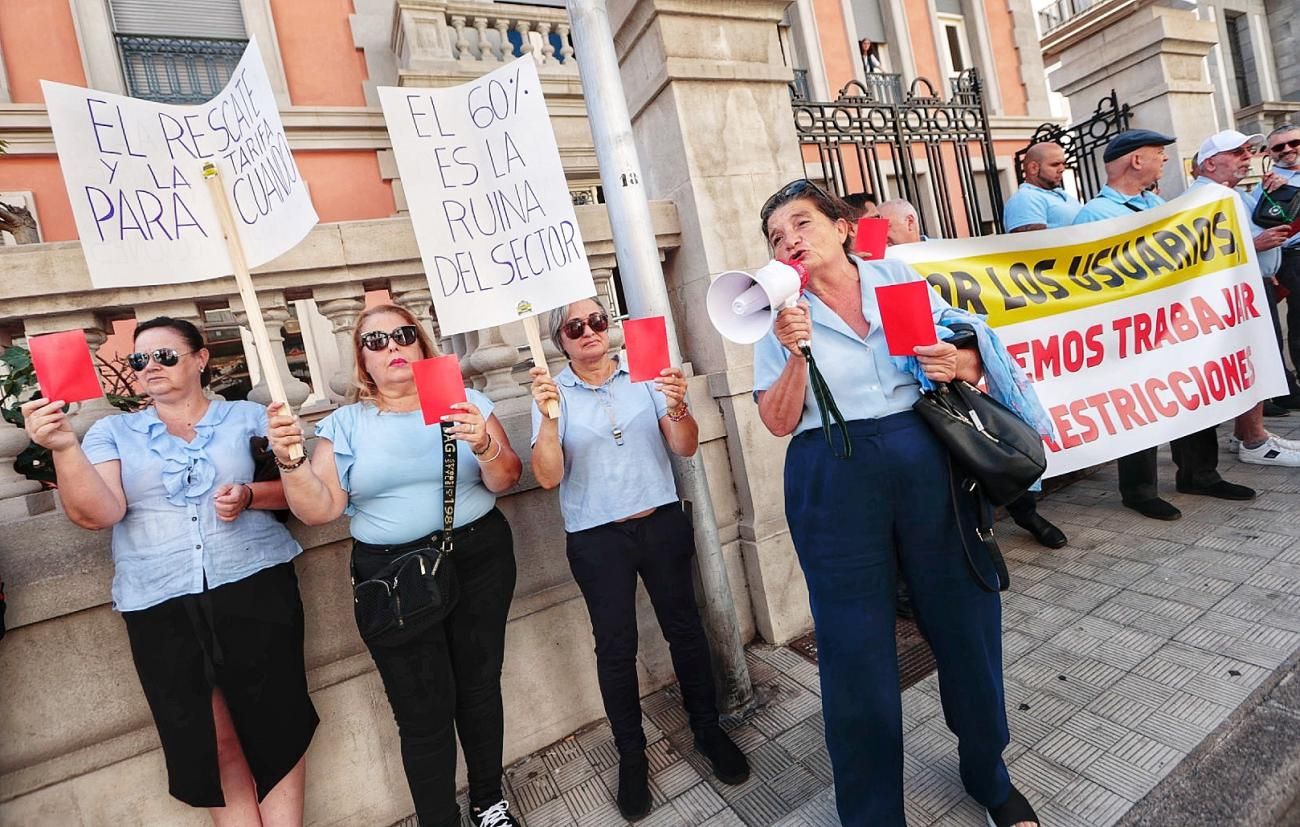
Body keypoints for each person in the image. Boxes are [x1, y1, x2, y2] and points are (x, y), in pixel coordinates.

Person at [754, 179, 1038, 827]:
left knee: (967, 619)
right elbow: (775, 420)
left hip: (922, 455)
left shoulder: (896, 275)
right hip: (831, 471)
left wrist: (954, 359)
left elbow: (965, 351)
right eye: (776, 236)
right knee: (854, 649)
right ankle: (872, 811)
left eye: (801, 223)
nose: (789, 239)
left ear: (842, 227)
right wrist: (793, 353)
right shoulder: (769, 311)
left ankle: (989, 775)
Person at [21, 317, 317, 826]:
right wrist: (64, 448)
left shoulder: (249, 418)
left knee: (278, 724)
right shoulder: (112, 431)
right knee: (207, 736)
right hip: (159, 601)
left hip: (254, 583)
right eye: (139, 360)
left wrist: (249, 495)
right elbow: (99, 514)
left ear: (201, 359)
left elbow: (305, 495)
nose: (149, 367)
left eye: (164, 355)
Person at [266, 304, 524, 827]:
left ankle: (488, 801)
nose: (392, 348)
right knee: (422, 710)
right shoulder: (344, 424)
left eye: (403, 335)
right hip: (394, 577)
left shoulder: (466, 400)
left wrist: (484, 442)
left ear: (422, 342)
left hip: (478, 558)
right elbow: (320, 511)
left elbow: (506, 479)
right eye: (375, 341)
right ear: (362, 362)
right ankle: (437, 818)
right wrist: (290, 460)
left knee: (479, 685)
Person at [528, 296, 749, 822]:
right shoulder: (552, 392)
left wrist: (677, 405)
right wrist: (547, 421)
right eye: (574, 327)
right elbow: (546, 476)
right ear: (560, 341)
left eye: (597, 320)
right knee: (615, 648)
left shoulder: (646, 374)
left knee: (685, 628)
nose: (588, 332)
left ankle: (706, 729)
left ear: (611, 327)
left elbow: (686, 446)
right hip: (597, 537)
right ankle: (632, 754)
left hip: (660, 520)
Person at [1073, 130, 1257, 520]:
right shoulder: (1094, 214)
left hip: (1174, 324)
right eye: (1157, 153)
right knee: (1138, 406)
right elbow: (1090, 276)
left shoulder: (1156, 202)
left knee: (1192, 394)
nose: (1165, 160)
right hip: (1130, 330)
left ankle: (1199, 473)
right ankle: (1138, 490)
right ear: (1135, 161)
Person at [1191, 130, 1300, 466]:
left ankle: (1249, 433)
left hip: (1252, 284)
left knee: (1253, 357)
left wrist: (1273, 196)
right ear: (1210, 163)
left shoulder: (1233, 193)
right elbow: (1197, 251)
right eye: (1237, 151)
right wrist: (1254, 246)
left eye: (1248, 150)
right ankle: (1255, 441)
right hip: (1234, 291)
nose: (1246, 156)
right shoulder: (1205, 198)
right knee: (1250, 359)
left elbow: (1270, 223)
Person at [1252, 123, 1300, 409]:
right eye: (1279, 147)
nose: (1288, 150)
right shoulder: (1271, 184)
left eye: (1293, 143)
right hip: (1294, 257)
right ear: (1270, 153)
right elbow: (1263, 223)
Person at [1003, 142, 1082, 232]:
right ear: (1033, 168)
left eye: (1063, 164)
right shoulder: (1026, 198)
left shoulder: (1062, 195)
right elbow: (1033, 243)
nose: (1062, 169)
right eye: (1055, 164)